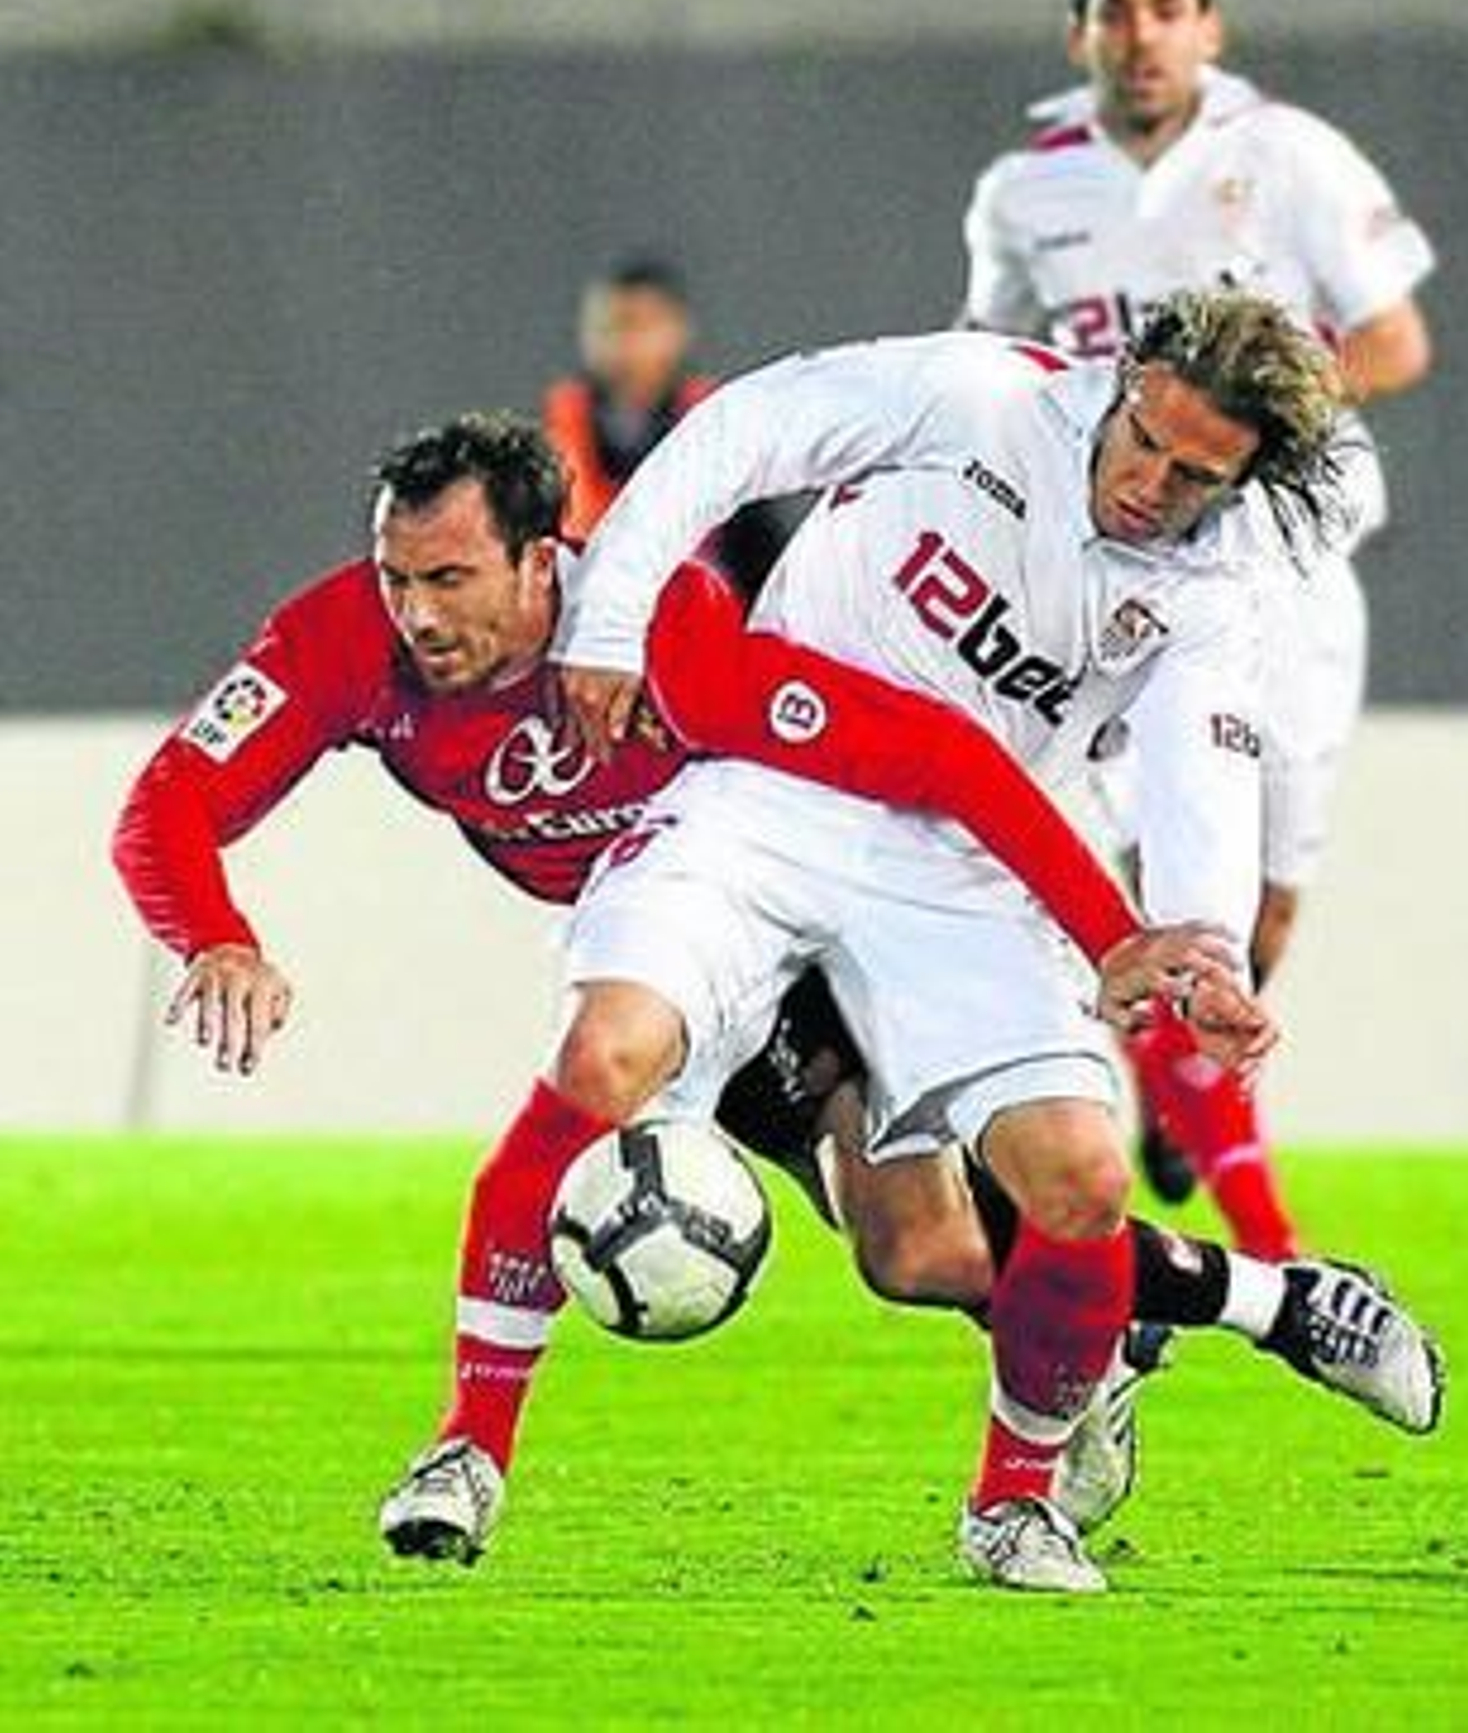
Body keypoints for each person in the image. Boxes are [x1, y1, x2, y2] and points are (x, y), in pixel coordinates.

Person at [110, 407, 1321, 1558]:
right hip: (661, 946)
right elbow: (166, 804)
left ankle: (1218, 1305)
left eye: (450, 579)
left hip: (796, 916)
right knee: (915, 1253)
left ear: (544, 564)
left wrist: (1111, 932)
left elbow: (936, 753)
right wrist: (213, 931)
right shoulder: (339, 642)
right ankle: (468, 1453)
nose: (416, 615)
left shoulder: (670, 637)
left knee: (910, 1228)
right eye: (398, 577)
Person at [406, 289, 1442, 1596]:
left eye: (1194, 476)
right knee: (608, 1052)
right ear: (1121, 381)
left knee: (1047, 1194)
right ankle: (466, 1451)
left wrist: (1207, 949)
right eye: (1144, 440)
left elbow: (1202, 771)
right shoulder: (980, 397)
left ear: (1243, 480)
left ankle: (1017, 1503)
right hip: (763, 793)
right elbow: (748, 431)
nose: (1148, 483)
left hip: (960, 865)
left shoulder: (1217, 590)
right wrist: (610, 619)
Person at [960, 0, 1436, 1259]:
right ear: (1081, 34)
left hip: (1287, 572)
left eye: (1166, 8)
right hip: (1117, 579)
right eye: (1116, 10)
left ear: (1208, 28)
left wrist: (1254, 412)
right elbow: (996, 362)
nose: (1142, 34)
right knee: (1149, 862)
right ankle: (1230, 1182)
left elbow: (1398, 333)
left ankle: (1185, 1076)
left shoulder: (1286, 157)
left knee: (1269, 893)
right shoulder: (1026, 190)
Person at [541, 254, 794, 600]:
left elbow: (762, 563)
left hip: (696, 629)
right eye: (609, 328)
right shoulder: (560, 434)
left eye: (641, 327)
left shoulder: (719, 430)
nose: (624, 345)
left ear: (678, 331)